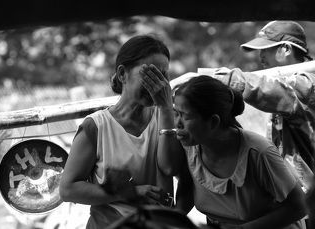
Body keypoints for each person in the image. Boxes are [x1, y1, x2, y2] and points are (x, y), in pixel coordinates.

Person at [59, 34, 183, 228]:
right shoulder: (96, 127)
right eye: (150, 74)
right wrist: (130, 192)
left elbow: (171, 169)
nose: (158, 84)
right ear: (123, 74)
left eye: (163, 75)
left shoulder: (168, 118)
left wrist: (166, 109)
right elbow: (68, 189)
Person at [172, 75, 307, 229]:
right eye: (176, 113)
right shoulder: (190, 146)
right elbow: (187, 188)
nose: (177, 123)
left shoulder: (259, 153)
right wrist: (170, 220)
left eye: (186, 116)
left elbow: (300, 206)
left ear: (213, 122)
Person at [211, 21, 315, 193]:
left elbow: (265, 88)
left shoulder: (307, 84)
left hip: (308, 197)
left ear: (286, 49)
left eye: (266, 49)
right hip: (289, 192)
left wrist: (215, 78)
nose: (260, 57)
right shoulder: (281, 82)